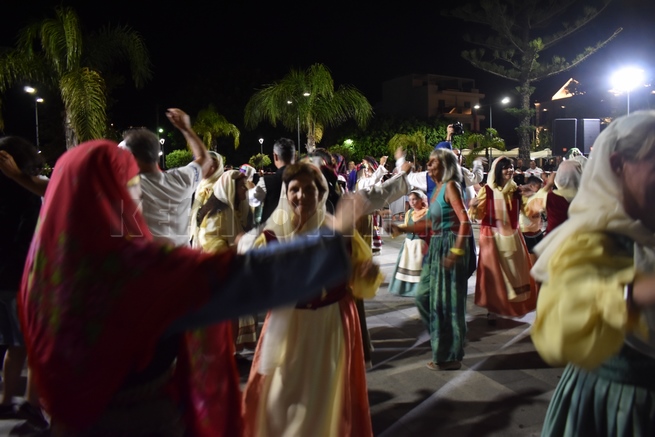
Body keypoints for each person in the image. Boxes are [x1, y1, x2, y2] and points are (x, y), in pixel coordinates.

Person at [18, 140, 368, 435]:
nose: (138, 193)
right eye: (132, 184)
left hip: (68, 423)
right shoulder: (135, 270)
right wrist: (331, 243)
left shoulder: (44, 273)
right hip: (140, 422)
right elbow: (240, 279)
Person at [530, 111, 655, 436]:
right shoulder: (590, 237)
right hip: (619, 407)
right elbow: (560, 327)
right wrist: (635, 292)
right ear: (618, 165)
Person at [243, 162, 381, 437]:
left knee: (324, 401)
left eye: (309, 189)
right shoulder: (271, 235)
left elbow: (360, 281)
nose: (301, 196)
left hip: (329, 325)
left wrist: (367, 272)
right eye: (295, 189)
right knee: (278, 398)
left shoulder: (341, 234)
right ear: (286, 193)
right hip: (287, 328)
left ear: (321, 193)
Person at [388, 149, 474, 370]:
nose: (428, 165)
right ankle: (442, 342)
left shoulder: (451, 186)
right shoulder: (436, 190)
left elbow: (465, 221)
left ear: (446, 165)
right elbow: (428, 223)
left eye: (433, 162)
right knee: (423, 297)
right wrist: (403, 228)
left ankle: (449, 356)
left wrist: (456, 252)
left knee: (448, 304)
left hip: (449, 245)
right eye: (429, 162)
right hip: (435, 247)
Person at [0, 137, 48, 430]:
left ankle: (6, 401)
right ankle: (32, 405)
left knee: (15, 344)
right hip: (23, 279)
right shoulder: (28, 193)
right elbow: (29, 238)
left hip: (4, 280)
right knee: (35, 344)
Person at [123, 108, 212, 247]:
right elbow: (205, 159)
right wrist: (186, 128)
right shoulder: (181, 179)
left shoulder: (130, 187)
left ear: (132, 158)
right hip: (184, 258)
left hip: (150, 259)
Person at [468, 156, 537, 325]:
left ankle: (512, 305)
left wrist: (532, 197)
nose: (510, 170)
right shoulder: (487, 190)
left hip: (513, 235)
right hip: (492, 237)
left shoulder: (517, 191)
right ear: (498, 170)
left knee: (515, 272)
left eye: (511, 167)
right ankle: (493, 309)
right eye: (506, 167)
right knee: (493, 274)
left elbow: (529, 212)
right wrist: (474, 206)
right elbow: (479, 215)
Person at [388, 190, 430, 297]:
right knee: (406, 264)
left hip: (420, 244)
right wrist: (395, 230)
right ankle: (405, 289)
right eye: (410, 199)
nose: (412, 202)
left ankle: (420, 290)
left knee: (419, 267)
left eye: (414, 199)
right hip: (409, 244)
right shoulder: (409, 213)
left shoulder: (427, 213)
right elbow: (406, 226)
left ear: (421, 200)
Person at [526, 160, 583, 235]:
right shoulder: (588, 196)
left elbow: (530, 206)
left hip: (555, 238)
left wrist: (548, 184)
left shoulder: (551, 197)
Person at [249, 137, 296, 224]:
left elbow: (253, 200)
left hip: (272, 228)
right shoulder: (308, 179)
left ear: (275, 156)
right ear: (295, 156)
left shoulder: (266, 182)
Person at [519, 175, 545, 264]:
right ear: (531, 186)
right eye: (539, 187)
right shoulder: (524, 196)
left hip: (537, 230)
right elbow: (529, 211)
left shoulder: (536, 196)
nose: (540, 189)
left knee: (541, 253)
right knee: (532, 256)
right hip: (527, 231)